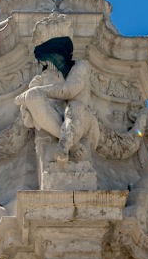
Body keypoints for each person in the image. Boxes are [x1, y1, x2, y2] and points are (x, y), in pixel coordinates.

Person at [15, 29, 98, 162]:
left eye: (49, 59)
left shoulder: (81, 66)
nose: (47, 64)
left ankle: (64, 145)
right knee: (32, 96)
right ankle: (72, 143)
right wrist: (33, 92)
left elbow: (68, 90)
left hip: (80, 117)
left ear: (59, 55)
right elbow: (32, 94)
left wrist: (42, 90)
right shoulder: (44, 75)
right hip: (54, 115)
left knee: (74, 107)